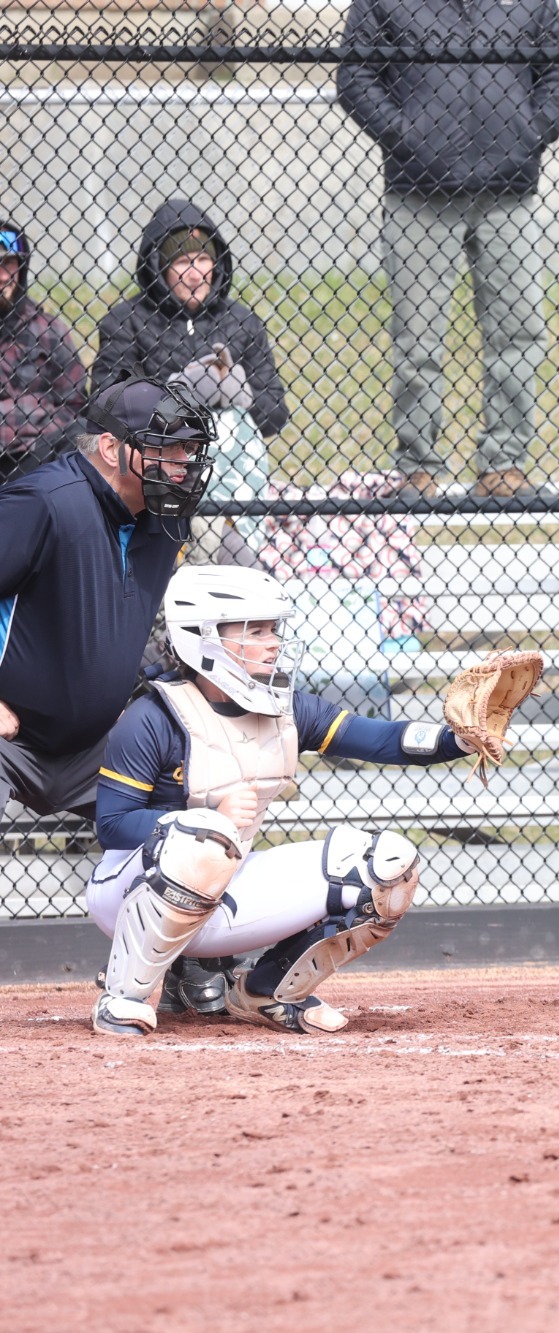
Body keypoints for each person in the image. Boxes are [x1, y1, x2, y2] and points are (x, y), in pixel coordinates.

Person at [86, 565, 480, 1037]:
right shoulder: (152, 716)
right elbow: (111, 824)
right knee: (201, 839)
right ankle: (123, 997)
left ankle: (266, 990)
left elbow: (378, 739)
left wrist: (459, 739)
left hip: (225, 890)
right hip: (130, 891)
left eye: (273, 628)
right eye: (255, 630)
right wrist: (199, 819)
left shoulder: (284, 707)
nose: (272, 641)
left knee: (387, 865)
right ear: (201, 637)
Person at [337, 0, 559, 499]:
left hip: (507, 191)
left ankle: (504, 464)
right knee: (417, 340)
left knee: (518, 331)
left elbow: (558, 73)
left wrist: (529, 134)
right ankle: (418, 468)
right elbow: (356, 77)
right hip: (419, 191)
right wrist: (408, 138)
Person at [0, 378, 215, 823]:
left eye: (189, 450)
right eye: (167, 448)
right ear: (110, 447)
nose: (183, 463)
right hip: (9, 746)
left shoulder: (167, 519)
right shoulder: (44, 503)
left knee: (197, 836)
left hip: (91, 748)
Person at [88, 200, 289, 441]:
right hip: (152, 462)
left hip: (231, 457)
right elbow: (104, 411)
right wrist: (180, 396)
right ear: (159, 268)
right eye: (183, 262)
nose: (196, 275)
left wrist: (242, 396)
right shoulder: (125, 322)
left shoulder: (243, 322)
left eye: (203, 259)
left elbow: (276, 414)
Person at [0, 219, 87, 487]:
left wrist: (19, 422)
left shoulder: (48, 331)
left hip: (35, 463)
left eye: (8, 264)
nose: (2, 275)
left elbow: (76, 407)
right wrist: (35, 411)